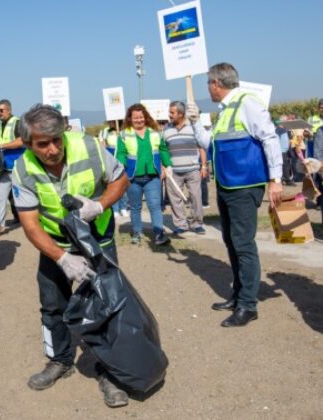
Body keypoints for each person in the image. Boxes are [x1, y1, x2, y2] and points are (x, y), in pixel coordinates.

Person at [11, 104, 130, 408]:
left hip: (97, 239)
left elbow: (120, 180)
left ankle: (110, 371)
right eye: (42, 144)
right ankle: (59, 361)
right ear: (28, 144)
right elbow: (30, 223)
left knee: (108, 305)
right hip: (55, 244)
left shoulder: (89, 146)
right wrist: (62, 258)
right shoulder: (23, 169)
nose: (53, 149)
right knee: (53, 306)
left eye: (56, 140)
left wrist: (99, 206)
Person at [201, 63, 283, 327]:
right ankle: (238, 294)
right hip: (227, 185)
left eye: (208, 84)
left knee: (243, 243)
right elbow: (209, 144)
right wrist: (193, 123)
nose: (208, 89)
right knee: (231, 240)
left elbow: (270, 138)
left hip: (244, 185)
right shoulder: (224, 111)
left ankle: (248, 305)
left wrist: (276, 180)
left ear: (216, 83)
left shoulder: (248, 103)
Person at [116, 104, 173, 245]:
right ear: (130, 119)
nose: (139, 120)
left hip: (153, 177)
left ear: (145, 117)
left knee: (155, 206)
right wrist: (121, 164)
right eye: (135, 118)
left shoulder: (155, 132)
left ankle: (159, 234)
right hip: (132, 178)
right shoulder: (124, 134)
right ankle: (137, 232)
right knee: (135, 207)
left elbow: (163, 149)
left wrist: (168, 165)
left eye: (141, 117)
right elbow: (121, 153)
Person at [163, 101, 209, 235]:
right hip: (173, 172)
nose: (169, 115)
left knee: (196, 197)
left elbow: (201, 147)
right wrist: (164, 168)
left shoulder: (193, 127)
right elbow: (163, 149)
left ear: (181, 114)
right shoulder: (166, 129)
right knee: (175, 199)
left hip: (193, 170)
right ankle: (181, 225)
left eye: (172, 112)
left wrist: (204, 166)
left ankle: (197, 224)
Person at [0, 99, 23, 233]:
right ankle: (0, 226)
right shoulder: (1, 125)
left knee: (24, 197)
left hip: (19, 168)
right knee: (0, 196)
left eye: (1, 110)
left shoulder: (17, 122)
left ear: (9, 110)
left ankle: (37, 221)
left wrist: (2, 146)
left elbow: (21, 141)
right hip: (6, 168)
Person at [276, 116, 296, 186]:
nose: (288, 122)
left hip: (285, 150)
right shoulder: (278, 130)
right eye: (286, 121)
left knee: (286, 165)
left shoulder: (284, 130)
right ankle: (287, 180)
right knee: (285, 166)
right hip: (281, 151)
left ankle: (285, 179)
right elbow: (278, 141)